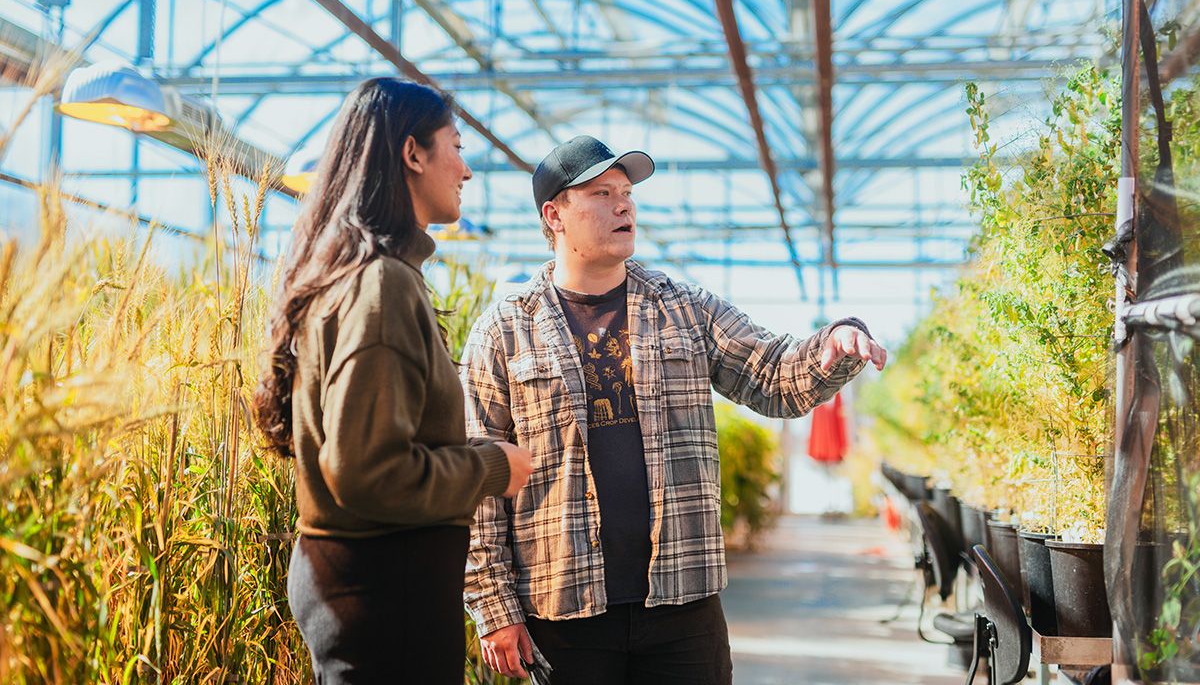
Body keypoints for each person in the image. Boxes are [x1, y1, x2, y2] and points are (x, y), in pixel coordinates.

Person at [461, 135, 887, 684]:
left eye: (627, 193)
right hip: (563, 609)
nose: (623, 205)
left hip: (682, 602)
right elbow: (477, 478)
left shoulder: (682, 306)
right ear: (555, 215)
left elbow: (772, 376)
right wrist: (494, 610)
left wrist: (834, 344)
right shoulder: (503, 329)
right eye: (600, 193)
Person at [251, 78, 532, 683]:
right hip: (383, 596)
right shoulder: (382, 284)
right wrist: (492, 466)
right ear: (413, 153)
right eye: (455, 145)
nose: (467, 170)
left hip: (366, 590)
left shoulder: (356, 275)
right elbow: (368, 472)